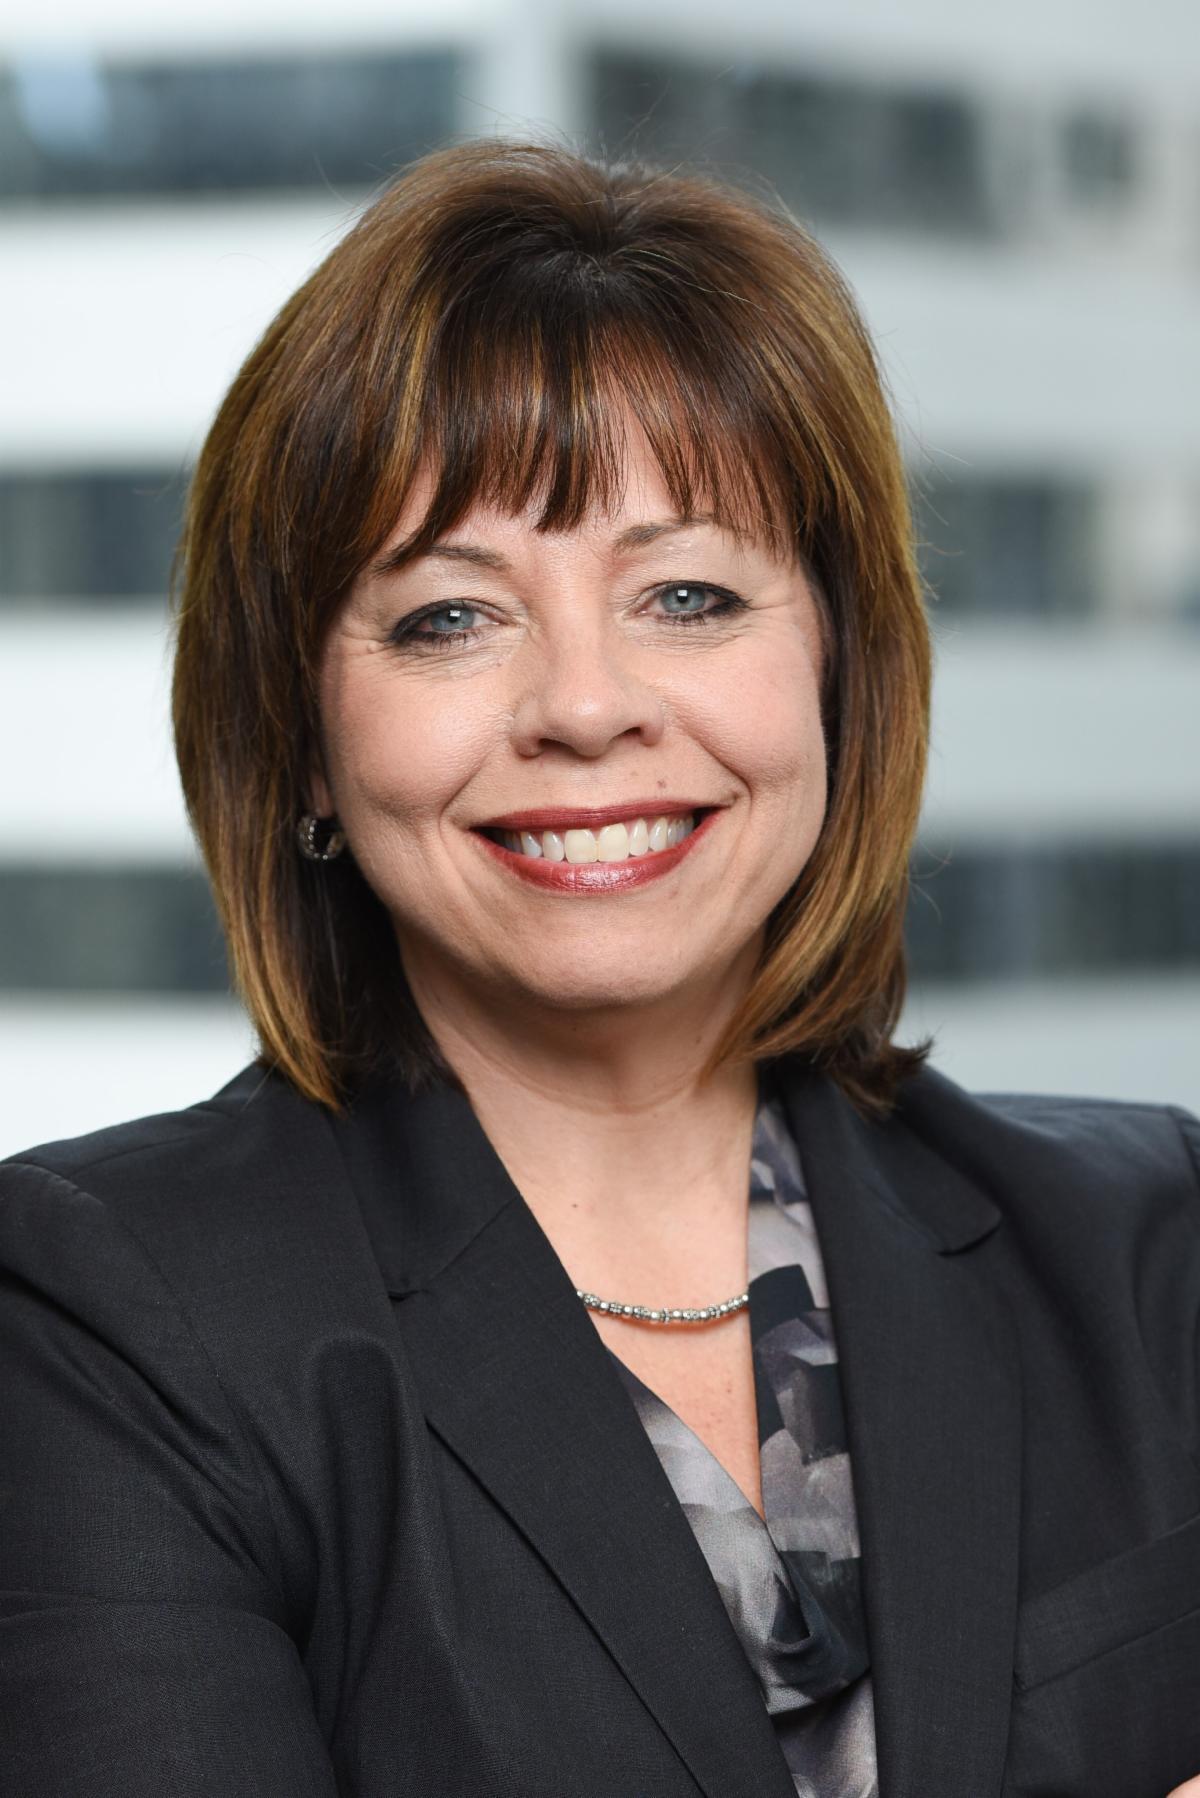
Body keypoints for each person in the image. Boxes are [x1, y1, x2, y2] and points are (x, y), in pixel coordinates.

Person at [1, 137, 1198, 1798]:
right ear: (302, 740)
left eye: (688, 594)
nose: (584, 705)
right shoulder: (105, 1323)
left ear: (837, 673)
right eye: (450, 616)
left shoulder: (1151, 1248)